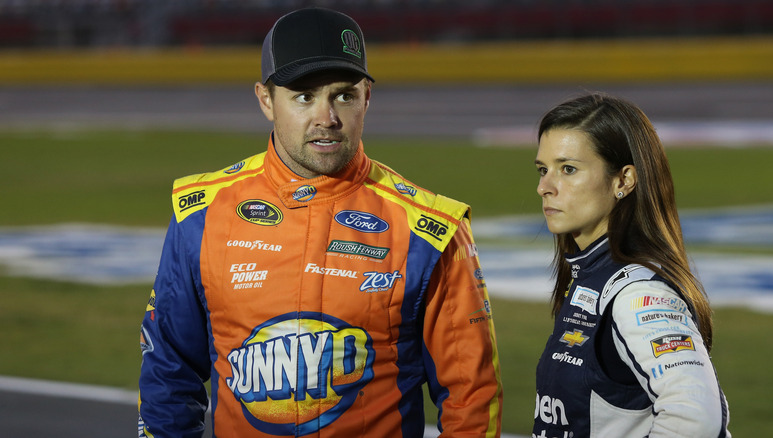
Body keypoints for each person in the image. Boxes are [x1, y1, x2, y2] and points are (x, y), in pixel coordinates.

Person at [137, 7, 502, 438]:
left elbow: (471, 397)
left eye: (343, 95)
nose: (326, 117)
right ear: (265, 100)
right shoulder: (200, 213)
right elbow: (169, 371)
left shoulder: (431, 230)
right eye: (304, 96)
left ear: (368, 96)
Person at [531, 93, 730, 437]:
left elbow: (696, 420)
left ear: (623, 180)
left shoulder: (639, 293)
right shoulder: (590, 273)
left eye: (568, 169)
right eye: (543, 170)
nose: (544, 187)